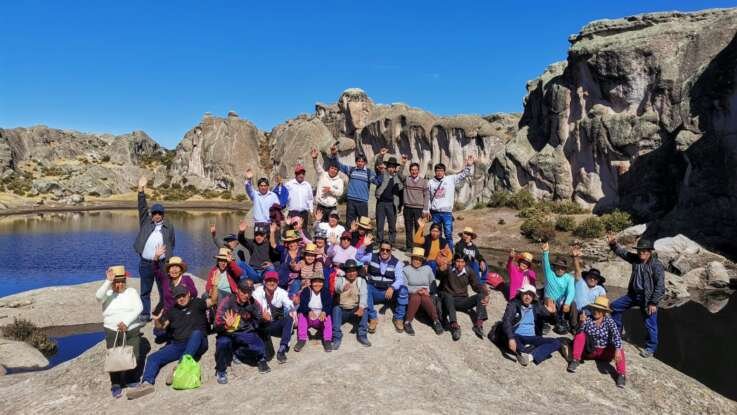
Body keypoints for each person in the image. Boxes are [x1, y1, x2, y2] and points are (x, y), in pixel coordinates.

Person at [127, 285, 209, 399]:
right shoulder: (172, 311)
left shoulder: (198, 303)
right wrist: (156, 320)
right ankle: (147, 383)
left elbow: (213, 300)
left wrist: (214, 285)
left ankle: (180, 367)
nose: (181, 299)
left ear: (189, 294)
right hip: (178, 345)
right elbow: (161, 327)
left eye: (183, 295)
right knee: (153, 358)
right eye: (178, 297)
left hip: (198, 343)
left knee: (196, 333)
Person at [607, 235, 665, 358]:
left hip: (648, 299)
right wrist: (613, 244)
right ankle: (617, 333)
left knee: (650, 323)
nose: (641, 253)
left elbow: (660, 286)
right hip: (633, 295)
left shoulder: (656, 265)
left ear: (649, 251)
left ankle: (650, 348)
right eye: (639, 250)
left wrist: (653, 302)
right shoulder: (636, 259)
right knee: (614, 307)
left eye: (644, 250)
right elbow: (623, 253)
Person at [96, 266, 143, 398]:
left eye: (122, 281)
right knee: (113, 356)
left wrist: (126, 322)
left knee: (135, 354)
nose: (119, 284)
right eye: (116, 281)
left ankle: (131, 379)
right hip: (112, 329)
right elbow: (98, 297)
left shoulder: (131, 292)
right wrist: (107, 281)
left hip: (131, 328)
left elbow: (139, 307)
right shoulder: (107, 293)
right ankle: (115, 383)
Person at [133, 175, 175, 322]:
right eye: (154, 213)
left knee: (164, 289)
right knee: (145, 291)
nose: (156, 215)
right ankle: (145, 314)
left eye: (159, 213)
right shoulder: (146, 222)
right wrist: (141, 190)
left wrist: (167, 258)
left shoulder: (168, 226)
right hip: (145, 263)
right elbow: (142, 207)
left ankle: (165, 311)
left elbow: (172, 242)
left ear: (163, 215)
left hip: (162, 264)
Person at [214, 280, 270, 384]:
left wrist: (265, 320)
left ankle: (237, 353)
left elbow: (259, 321)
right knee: (223, 343)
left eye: (249, 292)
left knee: (260, 349)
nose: (246, 295)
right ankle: (221, 370)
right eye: (243, 291)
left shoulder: (253, 302)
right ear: (237, 290)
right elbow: (216, 326)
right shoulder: (227, 301)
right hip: (227, 333)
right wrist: (226, 326)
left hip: (244, 332)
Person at [567, 296, 627, 388]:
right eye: (595, 308)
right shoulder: (588, 319)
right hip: (590, 350)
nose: (596, 311)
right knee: (580, 335)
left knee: (619, 347)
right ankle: (575, 360)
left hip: (604, 352)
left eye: (599, 309)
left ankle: (621, 374)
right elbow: (578, 334)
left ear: (604, 312)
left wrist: (618, 349)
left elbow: (616, 335)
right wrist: (582, 322)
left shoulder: (609, 321)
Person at [501, 283, 565, 366]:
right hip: (517, 336)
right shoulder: (514, 304)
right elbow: (507, 321)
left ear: (533, 297)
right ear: (521, 293)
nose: (527, 297)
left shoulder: (536, 306)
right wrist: (510, 338)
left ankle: (530, 356)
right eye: (525, 294)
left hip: (533, 337)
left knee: (556, 342)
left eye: (530, 295)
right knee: (514, 341)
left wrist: (553, 313)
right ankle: (530, 350)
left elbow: (552, 321)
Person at [359, 240, 409, 333]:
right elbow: (358, 257)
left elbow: (400, 280)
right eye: (382, 249)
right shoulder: (371, 256)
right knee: (365, 287)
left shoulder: (397, 263)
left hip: (389, 293)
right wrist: (363, 245)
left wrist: (392, 287)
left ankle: (399, 318)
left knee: (403, 290)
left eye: (387, 250)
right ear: (379, 249)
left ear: (391, 251)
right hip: (374, 291)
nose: (385, 252)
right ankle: (373, 318)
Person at [427, 155, 475, 250]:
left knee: (448, 234)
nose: (439, 172)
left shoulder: (450, 179)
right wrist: (427, 209)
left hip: (447, 213)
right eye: (437, 171)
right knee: (435, 234)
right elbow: (428, 197)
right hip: (435, 212)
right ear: (435, 172)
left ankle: (450, 254)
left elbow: (463, 175)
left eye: (441, 170)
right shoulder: (431, 182)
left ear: (444, 172)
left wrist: (469, 166)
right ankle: (436, 252)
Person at [436, 254, 489, 341]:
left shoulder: (469, 271)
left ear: (465, 263)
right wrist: (441, 269)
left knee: (480, 296)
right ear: (454, 261)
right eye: (457, 261)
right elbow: (439, 274)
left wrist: (485, 295)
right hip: (449, 300)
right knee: (448, 296)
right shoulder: (449, 269)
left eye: (462, 262)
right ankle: (454, 326)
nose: (460, 264)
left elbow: (476, 286)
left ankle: (479, 324)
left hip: (463, 301)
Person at [329, 144, 380, 226]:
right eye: (358, 161)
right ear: (356, 162)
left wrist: (381, 172)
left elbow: (377, 182)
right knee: (350, 224)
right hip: (351, 201)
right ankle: (349, 238)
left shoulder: (369, 172)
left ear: (365, 162)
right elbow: (339, 165)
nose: (360, 163)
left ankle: (362, 239)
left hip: (363, 202)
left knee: (363, 224)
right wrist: (334, 155)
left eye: (362, 161)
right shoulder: (351, 170)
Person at [253, 271, 296, 364]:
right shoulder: (257, 292)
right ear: (264, 281)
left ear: (277, 282)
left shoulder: (281, 292)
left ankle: (282, 348)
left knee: (289, 318)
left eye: (274, 281)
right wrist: (261, 316)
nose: (272, 283)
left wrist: (294, 305)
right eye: (269, 280)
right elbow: (253, 308)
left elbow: (289, 304)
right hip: (262, 324)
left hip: (274, 323)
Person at [403, 248, 444, 335]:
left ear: (422, 260)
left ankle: (436, 321)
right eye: (415, 258)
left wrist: (427, 291)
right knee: (416, 297)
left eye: (419, 259)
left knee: (424, 298)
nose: (417, 261)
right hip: (412, 294)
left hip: (425, 293)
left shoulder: (427, 269)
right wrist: (416, 290)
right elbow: (404, 286)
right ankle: (407, 322)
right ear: (411, 258)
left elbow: (432, 283)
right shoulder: (406, 270)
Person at [332, 259, 371, 349]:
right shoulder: (340, 279)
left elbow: (364, 294)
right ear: (345, 272)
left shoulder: (361, 281)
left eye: (353, 271)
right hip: (343, 311)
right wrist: (343, 288)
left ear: (357, 272)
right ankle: (337, 337)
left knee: (364, 308)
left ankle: (362, 335)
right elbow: (336, 288)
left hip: (355, 310)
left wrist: (361, 308)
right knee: (336, 309)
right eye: (349, 271)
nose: (351, 273)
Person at [541, 242, 575, 334]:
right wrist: (545, 252)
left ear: (565, 269)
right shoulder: (549, 273)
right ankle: (544, 322)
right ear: (554, 267)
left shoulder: (569, 278)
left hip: (560, 303)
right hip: (549, 301)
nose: (560, 269)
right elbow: (545, 263)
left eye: (563, 268)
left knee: (573, 303)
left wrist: (567, 303)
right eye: (558, 267)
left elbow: (571, 292)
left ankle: (574, 326)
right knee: (548, 300)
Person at [294, 274, 334, 352]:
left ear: (323, 283)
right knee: (302, 315)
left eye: (320, 282)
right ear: (311, 283)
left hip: (320, 318)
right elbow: (303, 304)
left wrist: (324, 312)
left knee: (328, 317)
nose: (317, 284)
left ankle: (327, 340)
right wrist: (308, 311)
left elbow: (329, 304)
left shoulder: (326, 291)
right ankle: (302, 339)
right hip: (309, 318)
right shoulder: (306, 291)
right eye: (315, 282)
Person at [397, 156, 430, 251]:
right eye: (412, 170)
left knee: (419, 229)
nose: (414, 172)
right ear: (410, 171)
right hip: (407, 208)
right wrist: (403, 163)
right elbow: (399, 174)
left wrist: (425, 209)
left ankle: (418, 247)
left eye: (415, 170)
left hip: (419, 209)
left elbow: (427, 196)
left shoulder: (424, 182)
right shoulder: (406, 179)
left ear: (418, 171)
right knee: (408, 228)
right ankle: (409, 247)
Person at [571, 244, 606, 327]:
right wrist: (575, 258)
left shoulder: (600, 289)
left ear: (598, 281)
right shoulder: (581, 282)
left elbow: (604, 304)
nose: (593, 279)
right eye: (591, 277)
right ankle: (575, 326)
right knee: (572, 304)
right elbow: (577, 270)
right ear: (586, 277)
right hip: (575, 311)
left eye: (595, 278)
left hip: (590, 313)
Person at [374, 150, 404, 245]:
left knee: (392, 225)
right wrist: (381, 156)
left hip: (392, 204)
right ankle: (379, 241)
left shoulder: (397, 178)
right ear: (387, 167)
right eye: (390, 166)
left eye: (393, 167)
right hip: (381, 203)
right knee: (380, 224)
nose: (391, 169)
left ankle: (391, 243)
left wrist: (403, 163)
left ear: (395, 168)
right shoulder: (382, 175)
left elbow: (401, 178)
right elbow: (378, 166)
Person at [311, 147, 344, 220]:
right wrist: (315, 159)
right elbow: (317, 167)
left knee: (331, 227)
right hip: (321, 206)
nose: (333, 170)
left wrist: (330, 190)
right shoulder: (322, 175)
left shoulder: (339, 180)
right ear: (329, 168)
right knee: (319, 227)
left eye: (336, 169)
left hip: (332, 208)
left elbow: (340, 193)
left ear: (337, 171)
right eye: (332, 168)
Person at [284, 163, 314, 229]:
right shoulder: (289, 184)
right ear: (296, 174)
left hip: (304, 214)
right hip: (293, 213)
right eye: (299, 173)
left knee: (303, 233)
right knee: (293, 234)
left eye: (303, 174)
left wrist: (311, 211)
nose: (301, 175)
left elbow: (310, 199)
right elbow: (283, 197)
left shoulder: (307, 185)